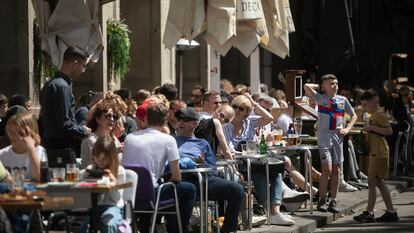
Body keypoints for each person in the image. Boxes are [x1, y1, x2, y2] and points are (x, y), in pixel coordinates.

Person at [122, 103, 196, 233]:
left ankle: (148, 226)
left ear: (146, 118)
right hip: (150, 196)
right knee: (188, 189)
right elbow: (177, 176)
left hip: (129, 195)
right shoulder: (168, 140)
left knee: (166, 189)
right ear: (165, 120)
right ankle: (180, 230)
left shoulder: (129, 138)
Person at [175, 107, 244, 232]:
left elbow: (211, 169)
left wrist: (201, 165)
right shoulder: (170, 141)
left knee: (237, 189)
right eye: (179, 119)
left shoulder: (202, 143)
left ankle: (228, 229)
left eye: (185, 120)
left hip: (201, 180)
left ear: (194, 124)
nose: (180, 122)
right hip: (179, 179)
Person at [304, 74, 357, 213]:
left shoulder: (342, 100)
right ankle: (322, 199)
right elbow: (306, 86)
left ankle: (333, 200)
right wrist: (319, 87)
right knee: (326, 168)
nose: (335, 85)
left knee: (337, 169)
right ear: (324, 86)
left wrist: (347, 128)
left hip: (337, 137)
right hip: (324, 137)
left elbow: (354, 115)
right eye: (331, 83)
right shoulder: (320, 98)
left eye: (336, 83)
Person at [39, 47, 91, 167]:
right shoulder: (62, 87)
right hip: (61, 149)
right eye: (83, 66)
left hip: (49, 146)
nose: (83, 70)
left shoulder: (50, 84)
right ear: (75, 64)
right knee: (67, 184)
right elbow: (65, 123)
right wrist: (83, 130)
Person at [353, 89, 399, 223]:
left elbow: (389, 131)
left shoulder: (379, 114)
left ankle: (370, 212)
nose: (364, 108)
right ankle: (390, 211)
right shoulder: (375, 113)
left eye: (365, 105)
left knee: (373, 182)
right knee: (377, 182)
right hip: (377, 151)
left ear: (373, 102)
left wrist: (371, 128)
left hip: (378, 152)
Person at [80, 136, 126, 233]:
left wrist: (112, 180)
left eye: (104, 158)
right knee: (81, 223)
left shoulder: (119, 171)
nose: (100, 161)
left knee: (108, 222)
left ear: (111, 157)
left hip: (112, 205)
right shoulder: (90, 168)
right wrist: (84, 179)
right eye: (97, 157)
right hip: (92, 206)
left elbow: (116, 199)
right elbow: (82, 197)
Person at [80, 93, 126, 169]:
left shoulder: (114, 138)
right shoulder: (89, 140)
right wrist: (116, 151)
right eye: (108, 116)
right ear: (98, 119)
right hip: (92, 178)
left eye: (114, 117)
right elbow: (97, 164)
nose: (111, 119)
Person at [0, 112, 43, 181]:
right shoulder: (2, 154)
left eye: (19, 132)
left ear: (30, 133)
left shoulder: (39, 151)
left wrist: (31, 149)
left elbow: (40, 178)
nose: (12, 135)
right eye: (10, 131)